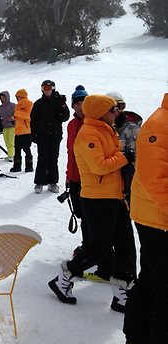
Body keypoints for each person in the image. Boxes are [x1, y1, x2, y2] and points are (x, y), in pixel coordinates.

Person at [48, 94, 136, 313]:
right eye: (112, 109)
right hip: (97, 199)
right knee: (98, 249)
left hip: (115, 196)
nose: (116, 112)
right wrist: (126, 156)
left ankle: (122, 294)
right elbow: (99, 166)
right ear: (99, 111)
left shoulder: (107, 129)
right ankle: (64, 277)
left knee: (126, 247)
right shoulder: (88, 133)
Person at [121, 93, 168, 344]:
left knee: (152, 280)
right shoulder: (159, 124)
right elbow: (156, 180)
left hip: (157, 216)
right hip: (157, 219)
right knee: (162, 287)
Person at [65, 86, 112, 282]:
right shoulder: (71, 125)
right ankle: (88, 249)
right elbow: (70, 153)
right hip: (76, 178)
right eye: (77, 103)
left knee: (96, 223)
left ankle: (97, 259)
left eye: (84, 102)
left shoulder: (95, 125)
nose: (81, 106)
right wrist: (68, 176)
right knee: (83, 218)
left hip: (92, 181)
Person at [30, 80, 70, 194]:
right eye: (44, 88)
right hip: (42, 135)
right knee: (42, 158)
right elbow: (33, 120)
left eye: (48, 88)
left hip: (55, 134)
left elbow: (65, 117)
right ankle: (39, 182)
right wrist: (34, 134)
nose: (46, 91)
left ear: (53, 89)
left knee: (53, 158)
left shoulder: (59, 101)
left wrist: (62, 105)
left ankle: (53, 182)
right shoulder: (38, 103)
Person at [107, 91, 143, 204]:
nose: (116, 111)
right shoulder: (104, 128)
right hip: (109, 181)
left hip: (128, 180)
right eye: (114, 108)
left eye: (120, 107)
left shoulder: (131, 128)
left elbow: (137, 156)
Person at [10, 88, 34, 172]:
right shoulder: (18, 105)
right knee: (17, 149)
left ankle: (29, 166)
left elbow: (28, 115)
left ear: (21, 96)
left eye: (18, 96)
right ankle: (17, 166)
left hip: (26, 131)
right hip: (18, 131)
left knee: (27, 149)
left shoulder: (29, 103)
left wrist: (15, 114)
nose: (17, 98)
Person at [0, 91, 16, 161]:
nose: (2, 99)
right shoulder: (0, 108)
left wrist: (13, 118)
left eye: (3, 97)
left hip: (12, 126)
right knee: (6, 142)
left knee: (11, 142)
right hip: (4, 127)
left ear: (7, 97)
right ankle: (10, 154)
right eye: (1, 98)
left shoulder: (13, 105)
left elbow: (18, 114)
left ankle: (12, 156)